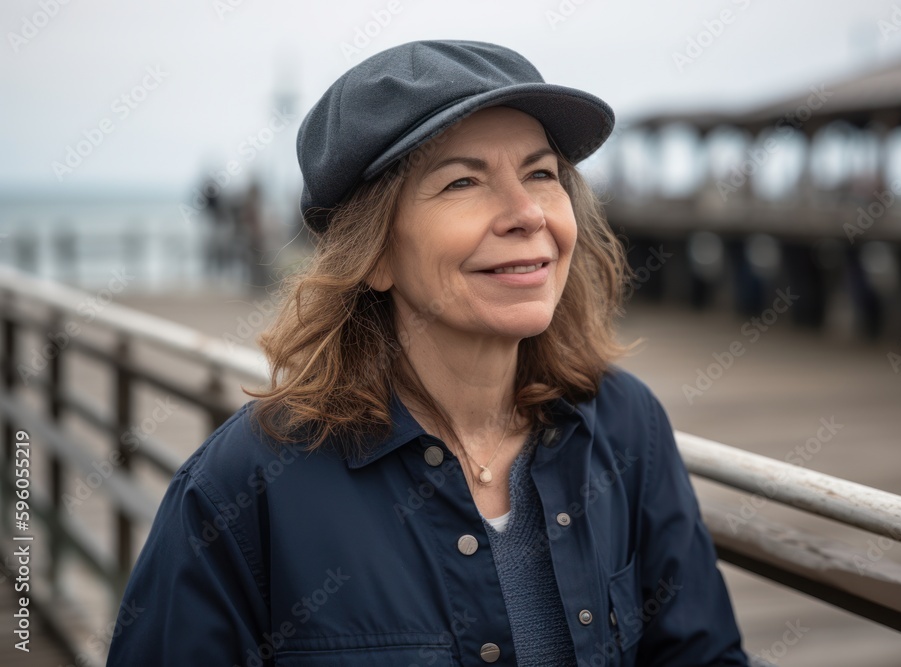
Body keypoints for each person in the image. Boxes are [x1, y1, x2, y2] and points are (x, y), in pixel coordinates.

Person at [106, 40, 748, 666]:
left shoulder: (626, 426)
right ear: (375, 253)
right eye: (463, 181)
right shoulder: (238, 493)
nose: (527, 213)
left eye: (541, 174)